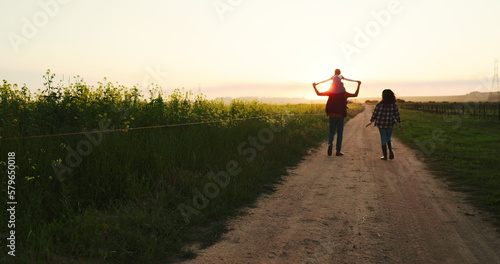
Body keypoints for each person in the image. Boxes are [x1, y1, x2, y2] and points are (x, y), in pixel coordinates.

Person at [312, 76, 361, 156]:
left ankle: (330, 143)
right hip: (340, 115)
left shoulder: (330, 92)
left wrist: (314, 86)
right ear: (341, 84)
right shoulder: (344, 93)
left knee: (331, 131)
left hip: (331, 114)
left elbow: (318, 93)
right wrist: (358, 85)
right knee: (340, 133)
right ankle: (338, 151)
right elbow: (355, 94)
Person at [365, 89, 403, 160]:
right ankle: (391, 151)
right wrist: (399, 122)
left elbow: (375, 113)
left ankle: (385, 156)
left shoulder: (380, 104)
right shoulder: (393, 104)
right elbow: (397, 114)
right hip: (390, 122)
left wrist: (371, 121)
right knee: (389, 138)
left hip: (381, 123)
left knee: (383, 138)